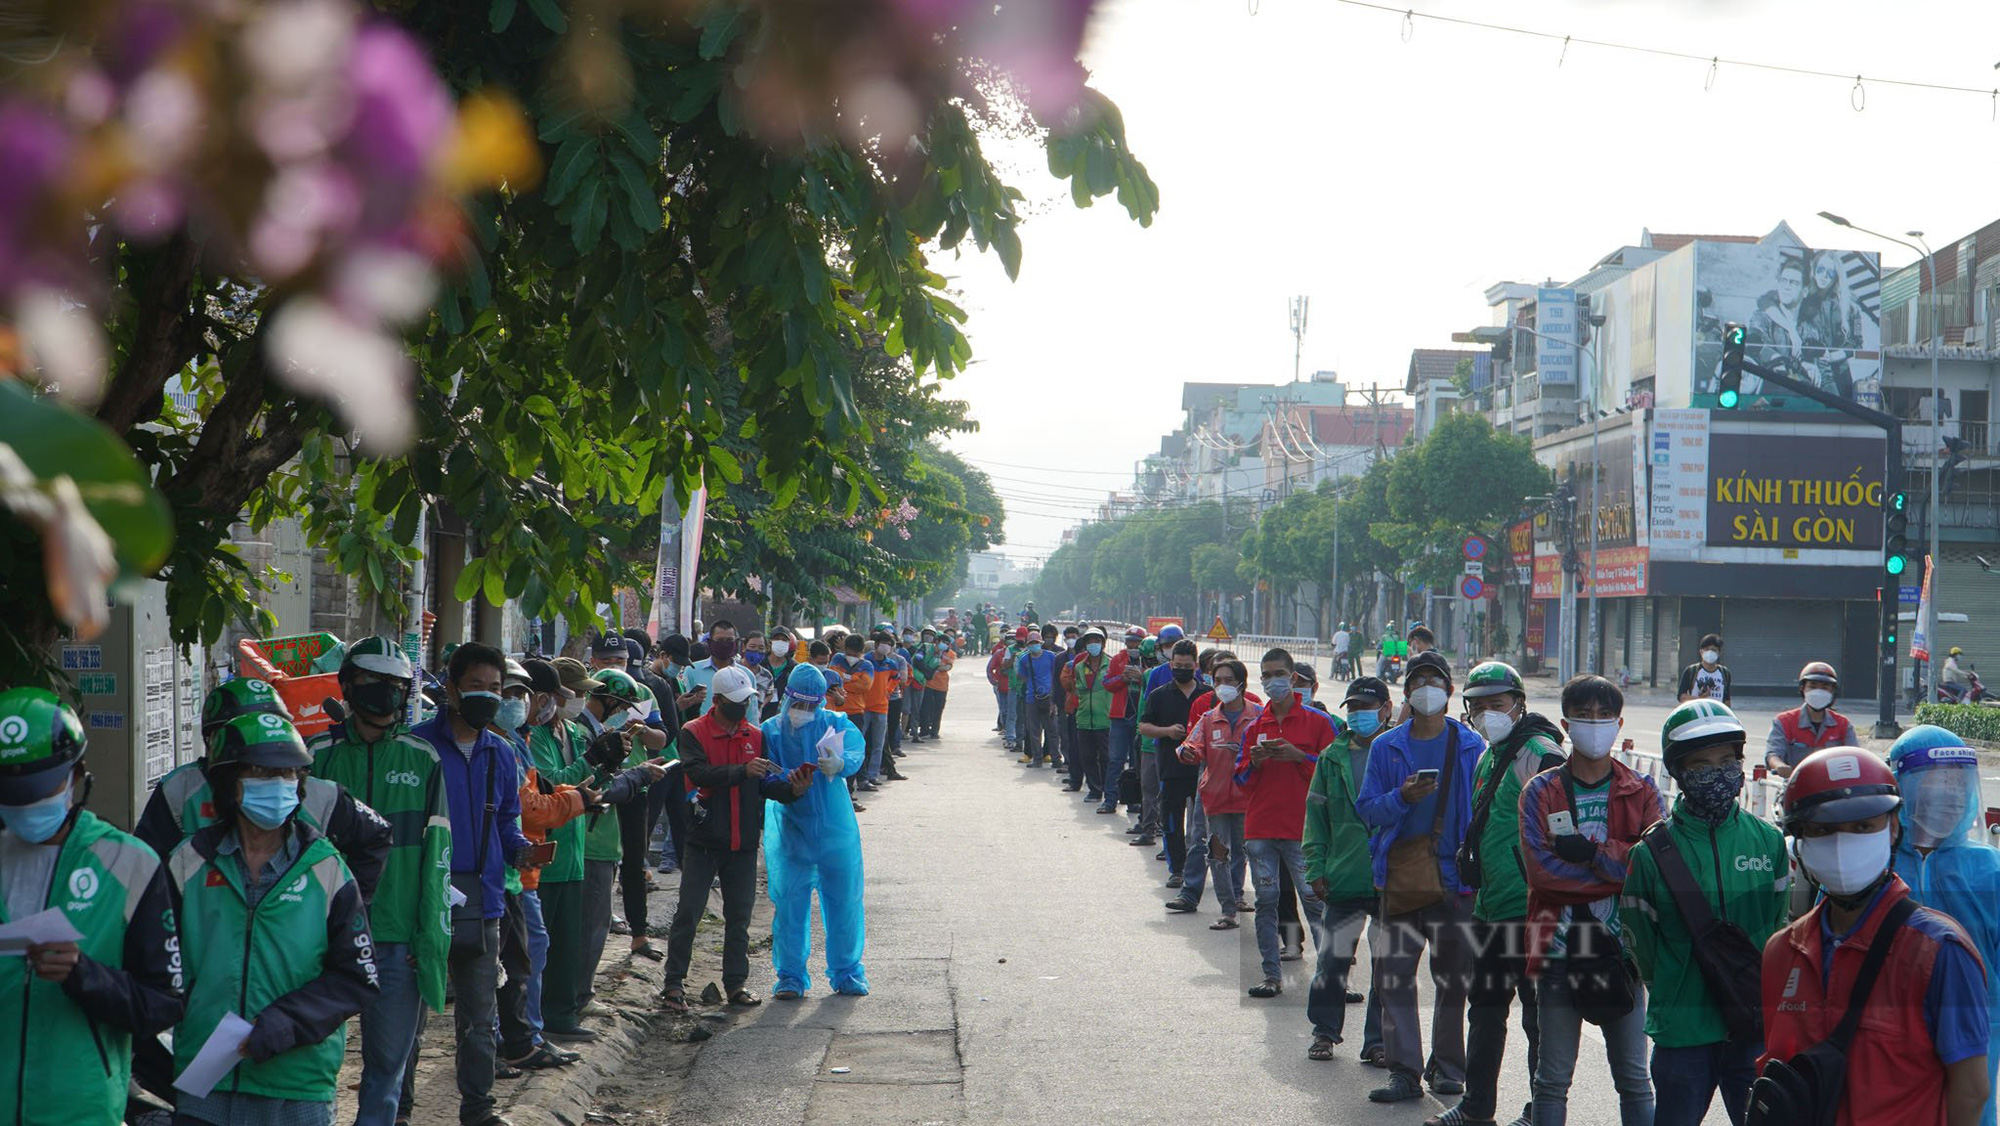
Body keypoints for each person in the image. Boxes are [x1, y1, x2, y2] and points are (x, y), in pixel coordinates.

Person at [168, 712, 378, 1126]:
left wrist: (285, 1023)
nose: (279, 784)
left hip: (296, 1087)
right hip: (205, 1082)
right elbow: (158, 965)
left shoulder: (326, 868)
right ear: (231, 781)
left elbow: (358, 977)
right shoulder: (187, 863)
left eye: (288, 773)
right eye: (262, 771)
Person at [1764, 746, 1991, 1126]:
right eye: (1822, 830)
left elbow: (1971, 1090)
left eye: (1863, 827)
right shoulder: (1781, 952)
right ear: (1798, 843)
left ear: (1893, 829)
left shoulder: (1940, 952)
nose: (1842, 844)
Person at [0, 687, 182, 1126]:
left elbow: (163, 1002)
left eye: (41, 788)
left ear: (78, 774)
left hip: (80, 1108)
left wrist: (84, 976)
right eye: (12, 792)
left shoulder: (130, 864)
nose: (26, 806)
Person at [304, 638, 454, 1125]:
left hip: (395, 942)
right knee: (312, 1064)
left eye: (396, 685)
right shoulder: (315, 757)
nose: (385, 693)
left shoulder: (423, 759)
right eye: (374, 681)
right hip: (321, 942)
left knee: (387, 1069)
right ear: (347, 685)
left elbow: (438, 859)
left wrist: (427, 936)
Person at [1619, 699, 1787, 1126]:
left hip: (1754, 1027)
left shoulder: (1768, 842)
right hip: (1683, 1031)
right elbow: (1642, 944)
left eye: (1728, 760)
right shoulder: (1652, 855)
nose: (1720, 773)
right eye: (1703, 764)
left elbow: (1779, 928)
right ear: (1677, 771)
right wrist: (1676, 990)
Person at [1518, 675, 1664, 1126]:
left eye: (1604, 715)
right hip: (1558, 955)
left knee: (1635, 1079)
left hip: (1625, 955)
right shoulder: (1541, 792)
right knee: (1551, 1080)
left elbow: (1653, 868)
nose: (1595, 724)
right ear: (1567, 723)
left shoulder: (1641, 790)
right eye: (1584, 715)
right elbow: (1541, 873)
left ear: (1619, 723)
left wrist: (1595, 855)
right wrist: (1617, 870)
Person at [412, 642, 545, 1126]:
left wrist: (521, 851)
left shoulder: (501, 753)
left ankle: (479, 1109)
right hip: (422, 903)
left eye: (495, 689)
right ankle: (400, 1110)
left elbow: (509, 823)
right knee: (411, 1019)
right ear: (450, 688)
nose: (488, 697)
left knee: (478, 1019)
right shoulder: (419, 747)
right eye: (477, 687)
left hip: (485, 901)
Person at [1429, 662, 1566, 1126]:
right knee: (1485, 1012)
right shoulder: (1493, 753)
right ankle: (1476, 1108)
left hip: (1529, 909)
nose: (1489, 713)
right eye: (1479, 705)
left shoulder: (1538, 751)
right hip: (1491, 905)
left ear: (1519, 702)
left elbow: (1563, 821)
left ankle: (1539, 1110)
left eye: (1498, 704)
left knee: (1536, 1019)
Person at [1355, 651, 1484, 1102]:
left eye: (1436, 681)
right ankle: (1404, 1071)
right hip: (1400, 878)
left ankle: (1448, 1068)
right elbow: (1367, 809)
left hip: (1456, 883)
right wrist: (1402, 796)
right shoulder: (1386, 747)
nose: (1427, 689)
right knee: (1393, 977)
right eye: (1419, 681)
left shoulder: (1471, 746)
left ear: (1449, 693)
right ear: (1407, 693)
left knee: (1453, 980)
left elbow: (1483, 815)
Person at [661, 666, 812, 1012]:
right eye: (736, 702)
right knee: (689, 912)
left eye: (747, 701)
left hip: (742, 841)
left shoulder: (755, 736)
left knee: (739, 917)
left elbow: (765, 783)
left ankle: (736, 984)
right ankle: (673, 984)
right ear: (717, 701)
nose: (743, 707)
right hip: (703, 839)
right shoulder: (693, 732)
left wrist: (793, 790)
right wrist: (741, 771)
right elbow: (697, 772)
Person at [1888, 725, 2000, 1126]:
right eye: (1939, 782)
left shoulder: (1989, 868)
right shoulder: (1872, 863)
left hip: (1976, 1034)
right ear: (1904, 786)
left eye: (1959, 783)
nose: (1952, 795)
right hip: (1887, 1033)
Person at [495, 659, 588, 1073]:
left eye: (522, 694)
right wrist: (579, 799)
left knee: (529, 950)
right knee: (518, 955)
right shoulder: (503, 742)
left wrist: (575, 794)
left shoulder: (518, 740)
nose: (523, 703)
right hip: (504, 869)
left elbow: (542, 790)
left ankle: (521, 1036)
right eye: (510, 694)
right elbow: (530, 808)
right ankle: (517, 1038)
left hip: (521, 869)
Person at [758, 665, 870, 998]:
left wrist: (841, 763)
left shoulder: (835, 723)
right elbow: (767, 774)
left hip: (836, 832)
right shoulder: (771, 731)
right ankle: (790, 975)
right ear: (787, 697)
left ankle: (847, 972)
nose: (803, 712)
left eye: (811, 705)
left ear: (821, 701)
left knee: (845, 903)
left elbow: (855, 751)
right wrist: (788, 780)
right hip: (792, 828)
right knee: (790, 905)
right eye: (798, 703)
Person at [1299, 671, 1378, 1058]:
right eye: (1354, 708)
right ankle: (1324, 1032)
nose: (1359, 715)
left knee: (1388, 966)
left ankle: (1378, 1043)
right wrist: (1315, 868)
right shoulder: (1332, 758)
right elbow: (1315, 819)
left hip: (1389, 878)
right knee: (1333, 960)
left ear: (1386, 709)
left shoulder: (1397, 750)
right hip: (1343, 875)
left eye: (1366, 707)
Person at [533, 658, 610, 1042]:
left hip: (573, 852)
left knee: (567, 944)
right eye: (574, 693)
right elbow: (550, 785)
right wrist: (590, 762)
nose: (580, 699)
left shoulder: (574, 732)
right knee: (536, 948)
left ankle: (561, 1016)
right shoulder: (534, 738)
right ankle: (531, 1022)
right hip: (543, 857)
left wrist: (605, 765)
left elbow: (585, 783)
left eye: (582, 693)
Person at [1167, 655, 1259, 921]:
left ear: (1241, 683)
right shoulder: (1208, 717)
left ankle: (1243, 898)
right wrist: (1186, 752)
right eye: (1218, 680)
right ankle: (1228, 910)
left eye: (1228, 680)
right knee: (1217, 854)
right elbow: (1192, 744)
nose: (1222, 685)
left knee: (1247, 851)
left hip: (1248, 798)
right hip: (1216, 798)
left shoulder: (1257, 715)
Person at [1138, 639, 1201, 866]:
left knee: (1201, 825)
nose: (1181, 670)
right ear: (1171, 663)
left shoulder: (1208, 695)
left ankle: (1198, 867)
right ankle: (1177, 868)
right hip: (1171, 769)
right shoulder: (1159, 695)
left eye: (1187, 666)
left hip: (1201, 771)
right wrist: (1167, 731)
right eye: (1178, 665)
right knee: (1172, 821)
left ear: (1196, 665)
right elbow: (1144, 727)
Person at [1765, 662, 1855, 777]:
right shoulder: (1784, 721)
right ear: (1803, 689)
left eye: (1825, 687)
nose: (1818, 692)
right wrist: (1779, 765)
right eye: (1812, 686)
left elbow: (1855, 756)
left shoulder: (1843, 724)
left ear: (1832, 691)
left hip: (1834, 788)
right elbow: (1773, 754)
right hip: (1796, 787)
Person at [1068, 627, 1114, 803]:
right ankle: (1094, 790)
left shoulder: (1111, 665)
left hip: (1105, 718)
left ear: (1103, 644)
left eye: (1096, 641)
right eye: (1089, 641)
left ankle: (1108, 789)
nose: (1093, 644)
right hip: (1084, 718)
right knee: (1087, 757)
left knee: (1107, 758)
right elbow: (1076, 688)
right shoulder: (1079, 667)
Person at [1016, 627, 1061, 770]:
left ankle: (1056, 759)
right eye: (1031, 643)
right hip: (1031, 698)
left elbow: (1056, 676)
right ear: (1028, 644)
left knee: (1052, 731)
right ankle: (1037, 758)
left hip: (1049, 698)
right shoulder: (1024, 659)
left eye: (1036, 642)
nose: (1033, 645)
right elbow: (1022, 676)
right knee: (1034, 731)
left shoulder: (1051, 656)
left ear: (1040, 643)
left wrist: (1054, 699)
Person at [685, 618, 740, 715]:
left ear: (736, 643)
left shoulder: (745, 675)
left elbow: (751, 716)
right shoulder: (692, 671)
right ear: (710, 643)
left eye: (729, 640)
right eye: (720, 640)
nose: (724, 644)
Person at [919, 629, 954, 739]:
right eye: (942, 642)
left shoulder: (951, 654)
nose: (944, 645)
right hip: (928, 684)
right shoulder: (929, 650)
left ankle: (935, 731)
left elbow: (947, 667)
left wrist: (933, 667)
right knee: (926, 708)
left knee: (938, 709)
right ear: (937, 641)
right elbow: (923, 662)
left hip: (942, 685)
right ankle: (924, 730)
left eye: (947, 643)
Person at [1677, 634, 1731, 704]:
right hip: (1696, 712)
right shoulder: (1691, 671)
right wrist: (1700, 699)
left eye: (1713, 650)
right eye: (1707, 649)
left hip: (1716, 713)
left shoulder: (1725, 673)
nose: (1710, 652)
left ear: (1719, 653)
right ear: (1701, 652)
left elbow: (1727, 700)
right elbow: (1681, 697)